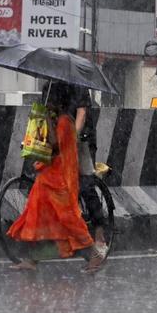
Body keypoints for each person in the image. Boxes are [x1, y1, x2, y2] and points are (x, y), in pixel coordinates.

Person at [6, 82, 106, 274]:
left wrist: (47, 124)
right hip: (49, 178)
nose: (47, 102)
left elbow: (54, 145)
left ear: (58, 101)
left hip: (59, 180)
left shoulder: (64, 122)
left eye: (49, 100)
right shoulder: (57, 119)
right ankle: (31, 258)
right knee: (39, 217)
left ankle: (94, 253)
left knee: (69, 220)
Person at [69, 85, 107, 256]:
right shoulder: (49, 89)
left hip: (83, 140)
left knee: (85, 185)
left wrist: (72, 137)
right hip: (61, 141)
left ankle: (100, 234)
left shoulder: (77, 86)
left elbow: (81, 114)